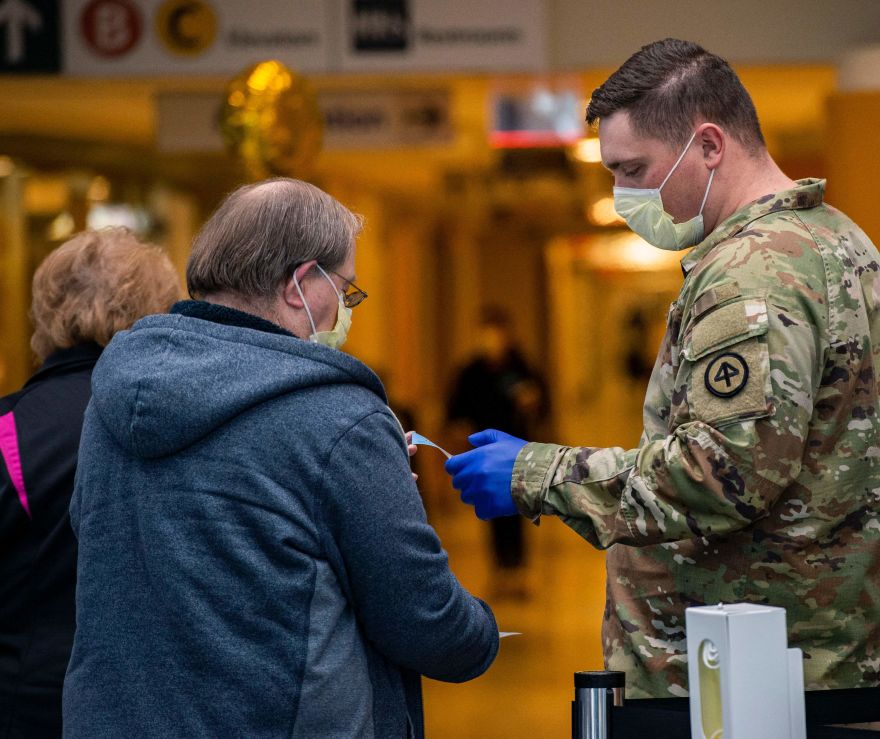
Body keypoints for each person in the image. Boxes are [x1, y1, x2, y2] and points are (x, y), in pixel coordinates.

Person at [446, 38, 880, 700]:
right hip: (819, 659)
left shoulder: (753, 274)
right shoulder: (842, 243)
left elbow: (722, 473)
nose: (624, 194)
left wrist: (537, 473)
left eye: (635, 169)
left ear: (710, 145)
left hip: (751, 677)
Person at [64, 178, 499, 738]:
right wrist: (484, 632)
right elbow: (425, 621)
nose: (346, 307)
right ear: (300, 285)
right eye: (346, 289)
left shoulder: (109, 402)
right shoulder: (337, 418)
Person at [0, 228, 179, 738]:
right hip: (162, 704)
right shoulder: (185, 429)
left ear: (46, 310)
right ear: (158, 314)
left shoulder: (9, 433)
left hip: (28, 703)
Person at [445, 306, 547, 590]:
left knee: (517, 506)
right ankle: (500, 565)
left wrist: (532, 402)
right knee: (491, 506)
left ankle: (517, 565)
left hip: (517, 450)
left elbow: (542, 401)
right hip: (485, 452)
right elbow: (455, 410)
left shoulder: (520, 365)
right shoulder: (471, 370)